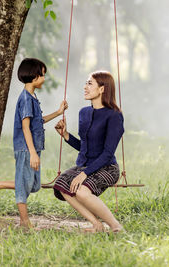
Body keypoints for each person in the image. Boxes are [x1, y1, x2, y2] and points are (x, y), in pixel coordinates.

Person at [0, 58, 68, 229]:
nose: (44, 79)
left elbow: (37, 122)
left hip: (34, 147)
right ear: (34, 77)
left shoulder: (33, 97)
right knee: (24, 187)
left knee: (34, 185)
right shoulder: (25, 99)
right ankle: (25, 222)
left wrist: (58, 112)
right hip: (26, 149)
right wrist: (32, 152)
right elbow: (25, 128)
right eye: (43, 75)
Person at [53, 70, 124, 233]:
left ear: (102, 89)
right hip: (85, 166)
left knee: (82, 192)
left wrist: (84, 174)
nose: (85, 87)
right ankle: (96, 224)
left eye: (90, 83)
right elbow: (84, 146)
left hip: (107, 167)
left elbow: (107, 153)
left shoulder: (114, 116)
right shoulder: (83, 113)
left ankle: (116, 226)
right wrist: (65, 135)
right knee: (61, 185)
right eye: (86, 83)